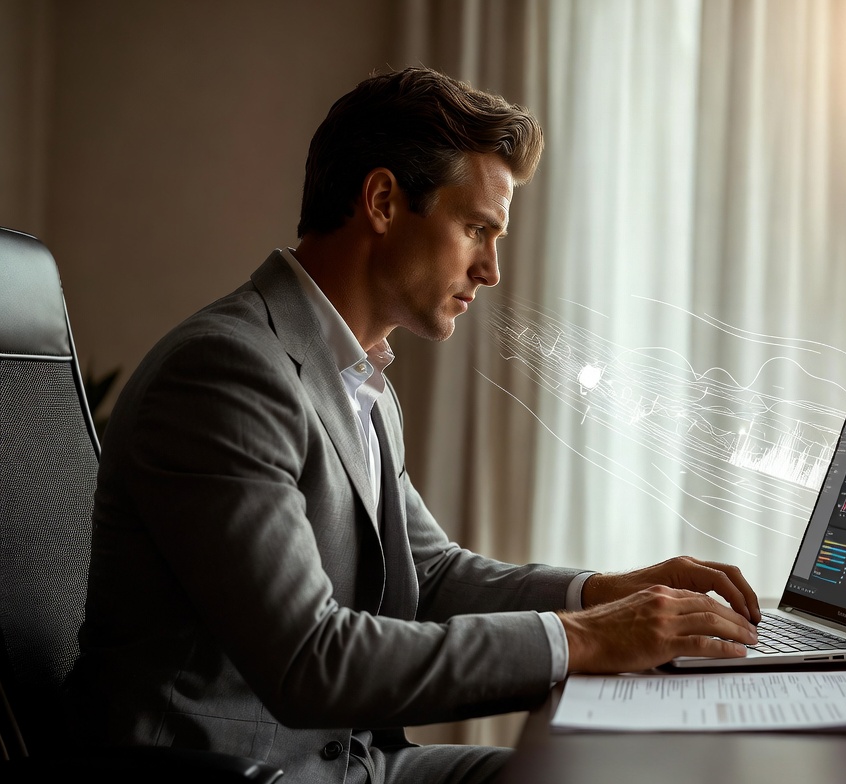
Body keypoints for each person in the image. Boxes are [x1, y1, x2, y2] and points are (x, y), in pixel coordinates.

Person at [69, 66, 760, 784]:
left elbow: (427, 577)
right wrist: (581, 639)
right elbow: (310, 662)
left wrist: (601, 594)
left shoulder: (358, 377)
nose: (491, 270)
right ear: (382, 202)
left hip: (353, 766)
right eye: (476, 229)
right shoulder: (225, 374)